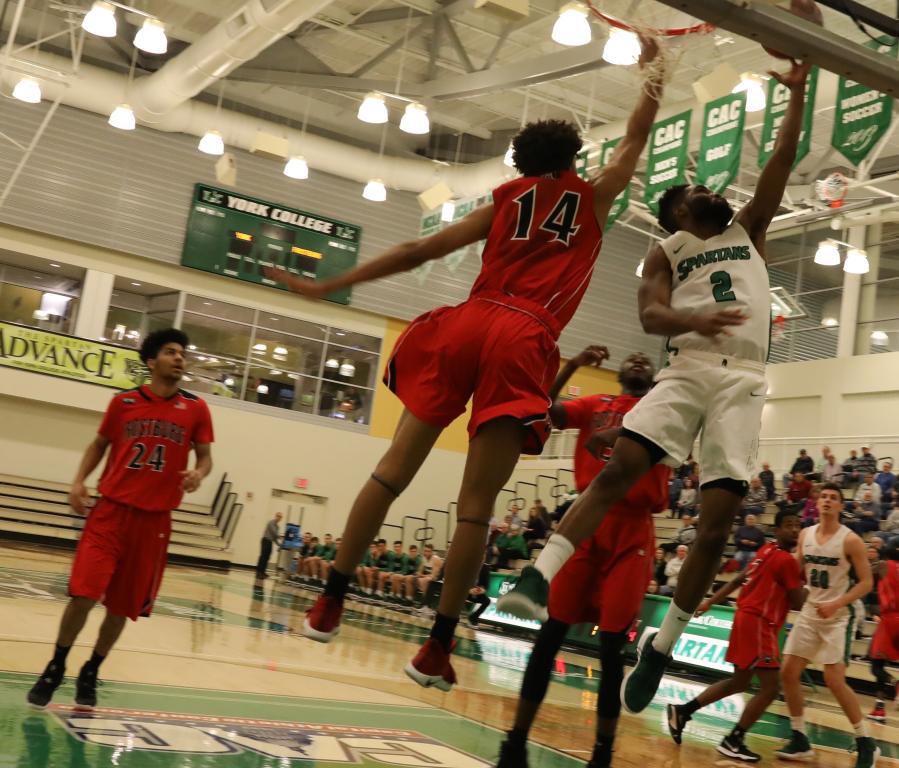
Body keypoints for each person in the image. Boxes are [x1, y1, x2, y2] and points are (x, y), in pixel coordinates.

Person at [271, 40, 666, 691]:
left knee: (390, 472)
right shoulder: (592, 198)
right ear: (571, 158)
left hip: (466, 322)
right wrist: (652, 72)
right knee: (475, 509)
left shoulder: (505, 200)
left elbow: (417, 250)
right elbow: (635, 139)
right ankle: (435, 649)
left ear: (521, 160)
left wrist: (331, 284)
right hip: (524, 336)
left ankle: (331, 599)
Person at [498, 59, 813, 717]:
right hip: (689, 365)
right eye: (693, 190)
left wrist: (797, 95)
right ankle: (538, 575)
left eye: (704, 186)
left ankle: (662, 648)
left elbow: (784, 158)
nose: (706, 191)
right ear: (675, 212)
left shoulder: (749, 228)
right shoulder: (664, 251)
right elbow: (649, 317)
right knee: (617, 472)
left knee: (718, 524)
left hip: (746, 380)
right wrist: (693, 320)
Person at [494, 347, 667, 768]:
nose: (639, 359)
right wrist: (571, 366)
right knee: (550, 634)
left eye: (647, 358)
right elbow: (545, 408)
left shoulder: (662, 406)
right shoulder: (595, 405)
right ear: (618, 371)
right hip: (587, 522)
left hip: (633, 529)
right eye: (633, 356)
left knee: (611, 648)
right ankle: (515, 743)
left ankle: (602, 755)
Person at [26, 329, 214, 710]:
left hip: (154, 522)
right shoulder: (123, 403)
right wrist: (79, 481)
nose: (180, 358)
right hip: (110, 513)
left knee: (121, 607)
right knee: (84, 594)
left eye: (183, 353)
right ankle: (56, 663)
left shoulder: (196, 409)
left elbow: (206, 456)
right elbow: (98, 445)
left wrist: (199, 473)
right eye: (171, 352)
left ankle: (93, 668)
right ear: (151, 362)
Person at [666, 510, 806, 761]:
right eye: (789, 525)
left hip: (745, 619)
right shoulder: (786, 561)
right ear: (776, 530)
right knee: (770, 688)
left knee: (739, 682)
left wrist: (710, 602)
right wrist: (821, 590)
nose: (795, 529)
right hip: (759, 624)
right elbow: (797, 602)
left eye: (798, 525)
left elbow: (737, 581)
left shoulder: (765, 551)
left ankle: (683, 711)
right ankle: (734, 739)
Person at [775, 484, 877, 768]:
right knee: (788, 673)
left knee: (834, 680)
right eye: (823, 497)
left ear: (841, 506)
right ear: (816, 504)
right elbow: (794, 570)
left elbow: (867, 583)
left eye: (834, 498)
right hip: (810, 612)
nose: (827, 501)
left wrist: (838, 603)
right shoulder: (805, 534)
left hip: (837, 616)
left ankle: (866, 741)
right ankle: (799, 738)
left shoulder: (851, 540)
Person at [867, 555, 899, 723]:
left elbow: (864, 575)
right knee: (878, 664)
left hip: (890, 619)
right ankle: (879, 709)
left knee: (873, 664)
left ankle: (898, 684)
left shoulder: (883, 564)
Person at [256, 512, 283, 580]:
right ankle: (259, 572)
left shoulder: (277, 526)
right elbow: (274, 533)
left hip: (270, 542)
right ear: (275, 516)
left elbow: (274, 537)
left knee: (267, 557)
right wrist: (282, 536)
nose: (279, 518)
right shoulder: (271, 522)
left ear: (281, 519)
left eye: (280, 517)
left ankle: (263, 572)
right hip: (265, 540)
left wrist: (279, 544)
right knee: (263, 557)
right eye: (278, 516)